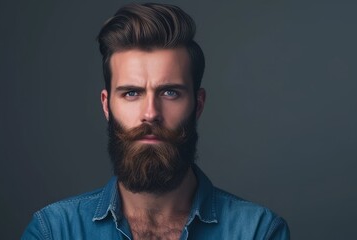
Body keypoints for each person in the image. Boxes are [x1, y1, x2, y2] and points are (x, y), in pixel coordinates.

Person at [22, 3, 290, 240]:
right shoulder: (54, 231)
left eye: (169, 92)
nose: (150, 113)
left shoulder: (258, 232)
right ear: (106, 105)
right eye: (131, 93)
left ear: (198, 105)